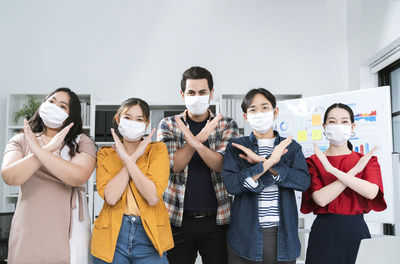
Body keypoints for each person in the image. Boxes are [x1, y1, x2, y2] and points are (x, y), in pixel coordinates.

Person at [1, 87, 96, 264]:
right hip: (29, 226)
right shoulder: (21, 140)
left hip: (69, 229)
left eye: (62, 106)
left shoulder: (82, 142)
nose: (54, 107)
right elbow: (10, 177)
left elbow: (77, 177)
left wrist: (38, 150)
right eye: (51, 101)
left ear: (70, 115)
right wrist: (46, 150)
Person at [157, 66, 239, 264]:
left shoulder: (226, 124)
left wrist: (195, 142)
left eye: (202, 92)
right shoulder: (168, 124)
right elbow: (173, 165)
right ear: (182, 94)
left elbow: (222, 165)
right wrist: (200, 140)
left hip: (218, 220)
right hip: (177, 219)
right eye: (191, 92)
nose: (197, 97)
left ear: (211, 93)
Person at [222, 88, 310, 264]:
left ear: (275, 112)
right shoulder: (236, 147)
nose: (259, 113)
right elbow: (232, 186)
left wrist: (260, 164)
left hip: (283, 235)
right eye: (253, 109)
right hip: (244, 237)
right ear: (245, 117)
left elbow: (303, 182)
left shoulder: (291, 147)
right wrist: (269, 163)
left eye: (265, 108)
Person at [300, 103, 387, 264]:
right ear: (324, 127)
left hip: (356, 232)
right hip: (324, 233)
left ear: (352, 126)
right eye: (332, 121)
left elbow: (371, 192)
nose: (338, 126)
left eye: (344, 121)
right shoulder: (313, 161)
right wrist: (353, 171)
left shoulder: (367, 160)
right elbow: (321, 199)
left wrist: (332, 170)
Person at [91, 98, 173, 264]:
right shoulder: (105, 154)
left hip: (149, 235)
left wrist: (128, 159)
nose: (132, 122)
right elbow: (111, 198)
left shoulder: (157, 150)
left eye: (139, 119)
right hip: (112, 235)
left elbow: (151, 197)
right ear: (118, 120)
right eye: (127, 117)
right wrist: (134, 157)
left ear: (146, 124)